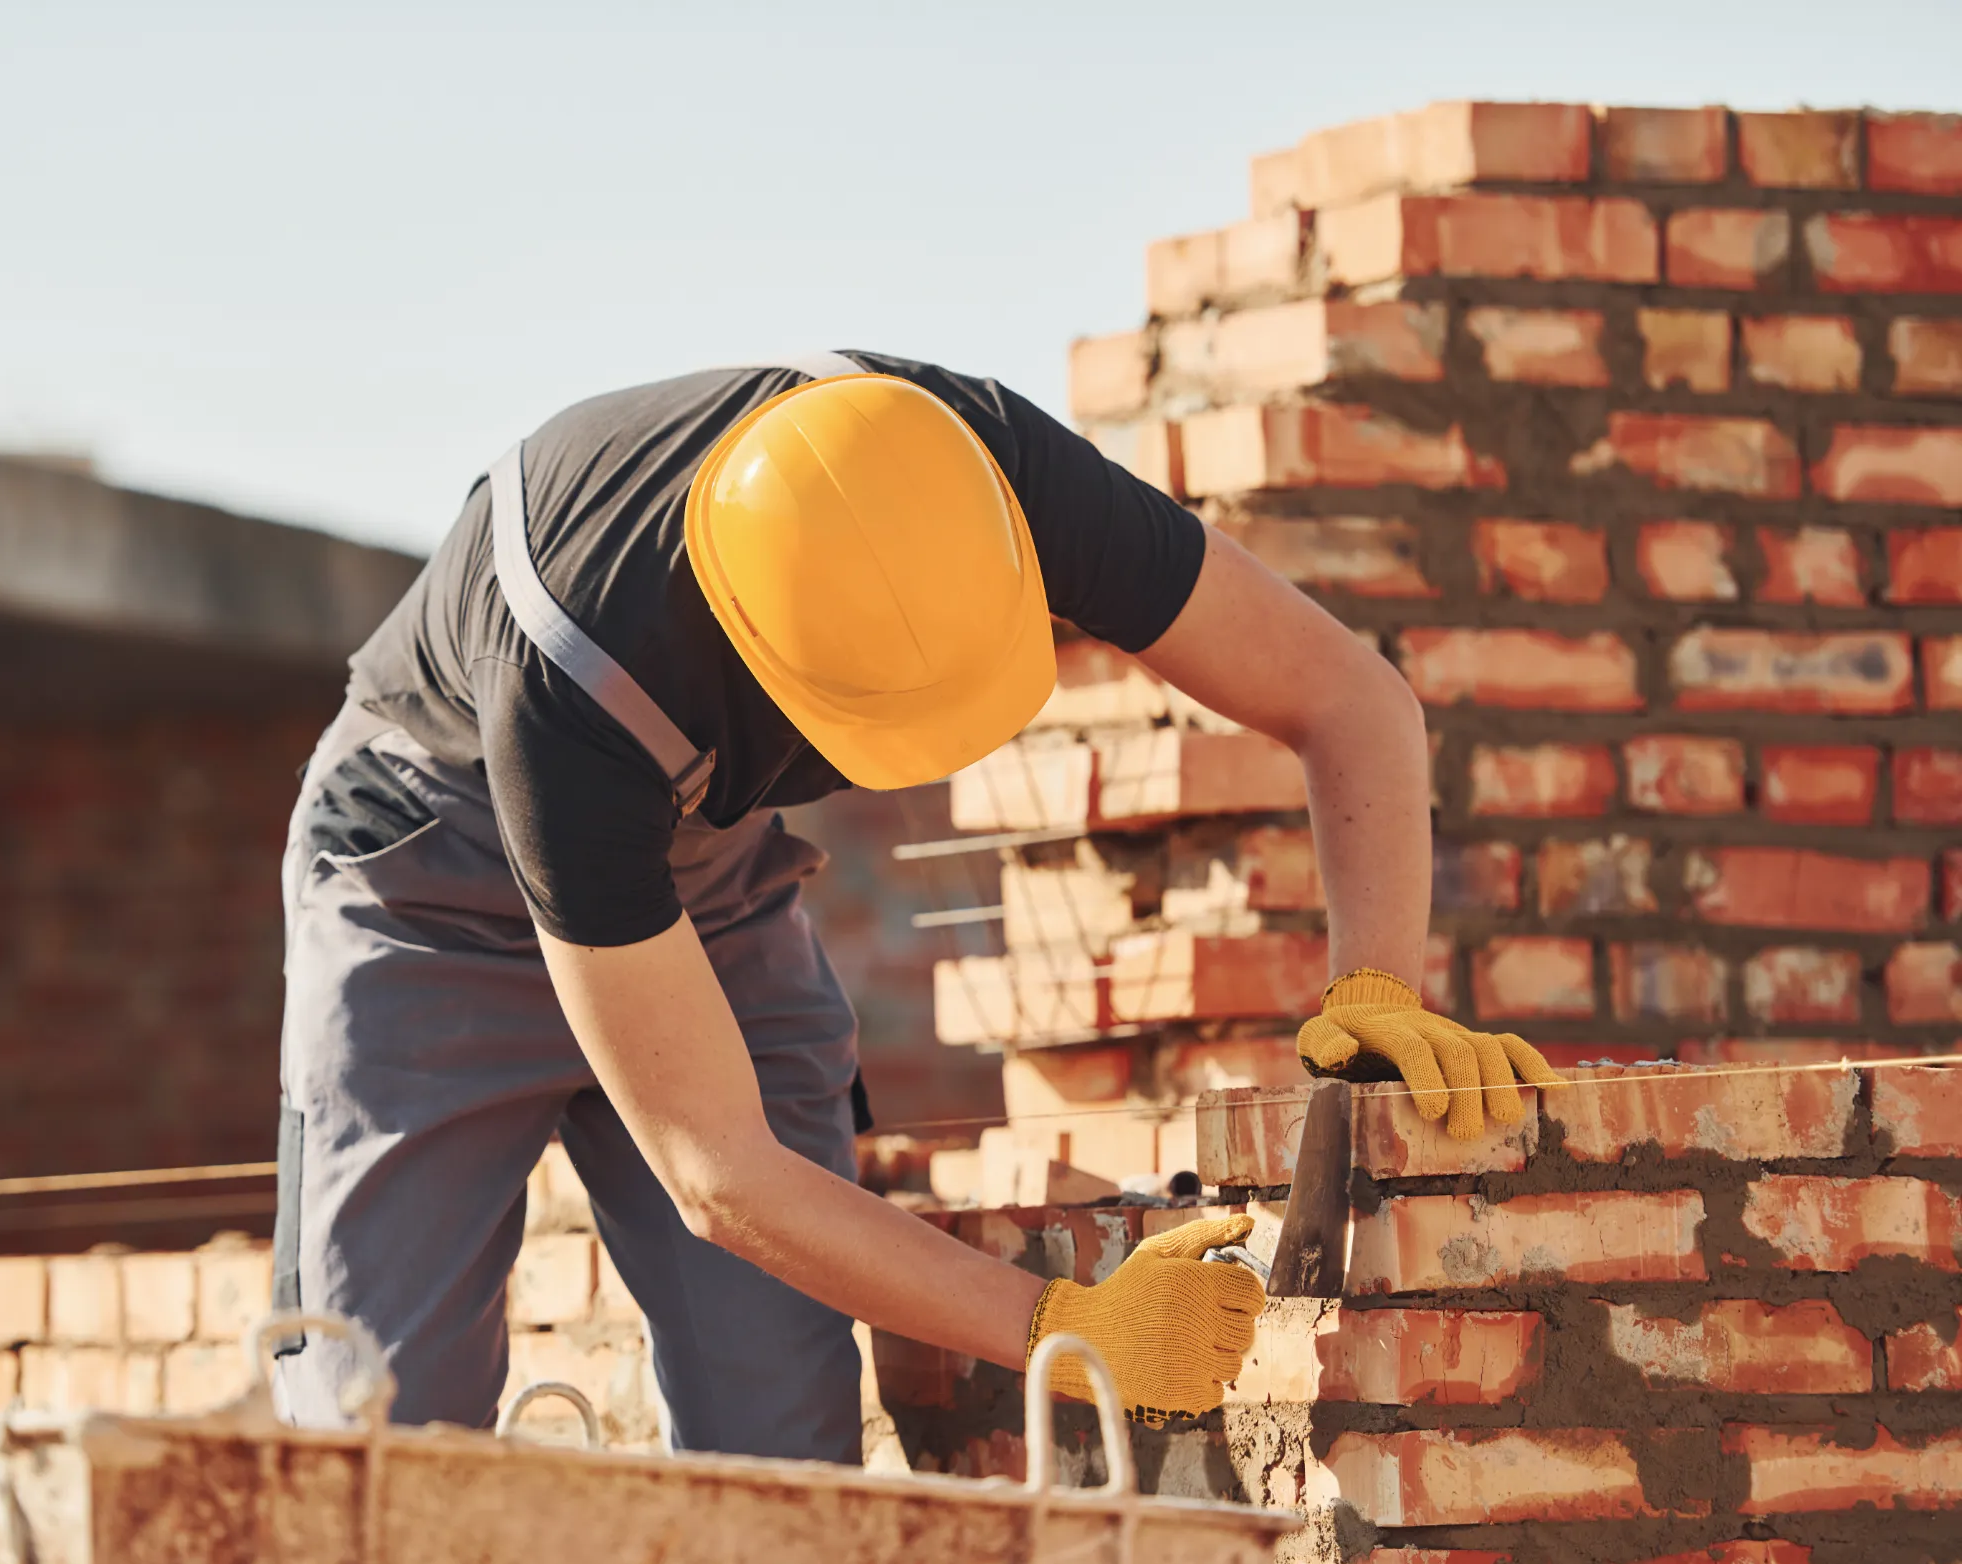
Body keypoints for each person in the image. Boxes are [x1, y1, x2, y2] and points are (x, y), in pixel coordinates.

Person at [270, 351, 1562, 1460]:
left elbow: (1350, 699)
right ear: (758, 658)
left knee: (777, 1412)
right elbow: (720, 1177)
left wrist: (1377, 984)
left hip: (698, 878)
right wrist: (1066, 1327)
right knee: (380, 1420)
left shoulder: (981, 469)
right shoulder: (572, 680)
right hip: (428, 881)